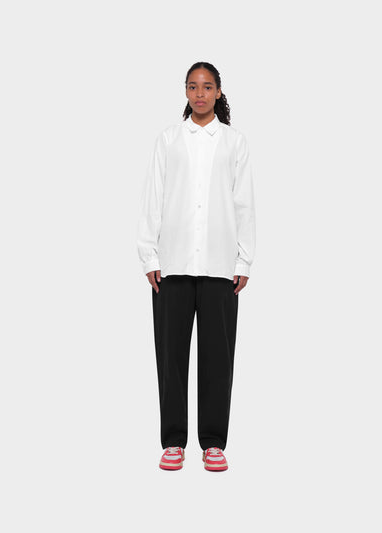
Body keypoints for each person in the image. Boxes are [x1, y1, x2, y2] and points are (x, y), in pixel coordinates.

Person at [136, 61, 256, 472]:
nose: (200, 94)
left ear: (218, 92)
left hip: (221, 265)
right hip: (172, 263)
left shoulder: (234, 142)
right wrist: (149, 255)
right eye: (192, 86)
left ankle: (213, 443)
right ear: (185, 92)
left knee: (217, 358)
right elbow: (153, 197)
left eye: (207, 87)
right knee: (170, 356)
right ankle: (173, 441)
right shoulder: (168, 140)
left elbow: (244, 202)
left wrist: (244, 258)